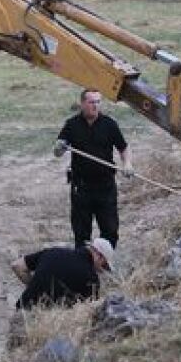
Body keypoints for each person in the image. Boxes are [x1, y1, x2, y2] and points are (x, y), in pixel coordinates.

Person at [54, 89, 133, 249]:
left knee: (110, 230)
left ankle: (106, 266)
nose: (95, 106)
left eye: (98, 102)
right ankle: (83, 266)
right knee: (81, 233)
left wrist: (127, 164)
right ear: (82, 104)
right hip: (81, 187)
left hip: (106, 187)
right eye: (91, 102)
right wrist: (59, 148)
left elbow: (123, 148)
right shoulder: (72, 125)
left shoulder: (109, 124)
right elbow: (58, 152)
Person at [11, 238, 114, 310]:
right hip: (49, 325)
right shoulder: (91, 279)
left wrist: (34, 285)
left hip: (22, 315)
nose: (101, 271)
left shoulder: (53, 252)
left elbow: (17, 266)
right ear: (99, 256)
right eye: (104, 266)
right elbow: (90, 311)